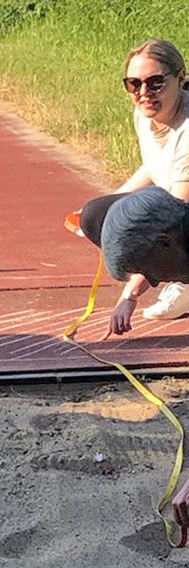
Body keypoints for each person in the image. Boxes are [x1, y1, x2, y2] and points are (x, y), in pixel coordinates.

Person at [81, 186, 189, 529]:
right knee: (92, 213)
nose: (154, 282)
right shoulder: (178, 229)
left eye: (151, 271)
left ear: (165, 241)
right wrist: (130, 294)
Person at [78, 39, 189, 337]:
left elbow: (170, 224)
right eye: (134, 84)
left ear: (180, 78)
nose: (143, 93)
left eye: (155, 83)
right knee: (95, 217)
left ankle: (182, 282)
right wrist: (113, 204)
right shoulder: (144, 115)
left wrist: (129, 295)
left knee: (151, 229)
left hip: (182, 215)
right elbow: (154, 167)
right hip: (177, 210)